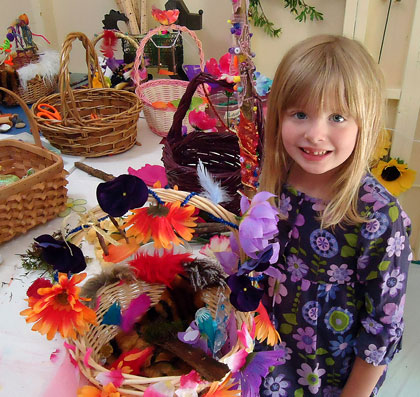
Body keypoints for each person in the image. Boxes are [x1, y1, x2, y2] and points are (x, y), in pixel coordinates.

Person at [257, 35, 412, 396]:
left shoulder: (377, 215)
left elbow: (382, 327)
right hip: (266, 357)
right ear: (278, 112)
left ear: (365, 122)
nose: (315, 134)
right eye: (300, 114)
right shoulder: (275, 182)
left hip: (331, 380)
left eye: (338, 117)